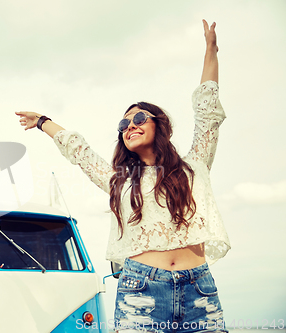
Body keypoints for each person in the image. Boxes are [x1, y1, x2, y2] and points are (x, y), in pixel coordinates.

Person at [15, 20, 230, 332]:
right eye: (124, 124)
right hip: (140, 290)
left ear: (159, 125)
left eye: (139, 118)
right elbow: (80, 151)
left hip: (198, 290)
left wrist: (211, 51)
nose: (130, 126)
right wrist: (43, 122)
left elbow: (207, 113)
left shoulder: (194, 166)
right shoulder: (120, 181)